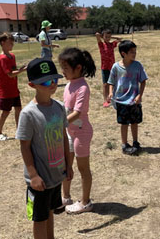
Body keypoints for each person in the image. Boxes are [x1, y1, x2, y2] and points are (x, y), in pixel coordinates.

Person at [16, 57, 73, 239]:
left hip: (56, 175)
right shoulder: (28, 114)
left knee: (50, 212)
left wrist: (68, 165)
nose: (52, 84)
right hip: (39, 180)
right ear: (32, 85)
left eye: (55, 79)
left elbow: (64, 137)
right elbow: (24, 146)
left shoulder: (59, 107)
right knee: (39, 218)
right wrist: (33, 175)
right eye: (46, 81)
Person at [58, 47, 96, 214]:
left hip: (81, 133)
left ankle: (85, 202)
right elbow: (66, 108)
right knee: (66, 164)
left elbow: (77, 112)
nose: (63, 72)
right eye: (62, 68)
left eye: (66, 68)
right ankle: (65, 198)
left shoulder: (82, 88)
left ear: (78, 68)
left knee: (83, 168)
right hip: (69, 132)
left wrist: (59, 123)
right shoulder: (69, 85)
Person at [107, 40, 148, 155]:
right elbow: (111, 82)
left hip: (134, 100)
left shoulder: (137, 65)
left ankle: (135, 142)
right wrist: (110, 93)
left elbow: (143, 81)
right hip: (121, 100)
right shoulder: (116, 67)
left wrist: (140, 95)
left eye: (135, 51)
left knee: (134, 122)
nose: (134, 54)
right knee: (124, 123)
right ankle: (124, 144)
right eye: (132, 52)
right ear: (123, 53)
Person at [0, 32, 27, 141]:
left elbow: (14, 70)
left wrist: (20, 69)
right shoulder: (2, 58)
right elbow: (10, 74)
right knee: (5, 112)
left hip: (14, 89)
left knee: (18, 109)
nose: (12, 45)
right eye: (10, 43)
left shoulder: (12, 56)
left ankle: (19, 130)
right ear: (2, 43)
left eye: (13, 43)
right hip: (5, 90)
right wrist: (22, 70)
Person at [95, 29, 121, 107]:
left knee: (114, 83)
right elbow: (97, 35)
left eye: (109, 37)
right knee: (105, 84)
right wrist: (102, 37)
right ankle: (106, 100)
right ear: (103, 37)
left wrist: (111, 36)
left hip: (112, 67)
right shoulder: (101, 44)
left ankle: (114, 98)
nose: (108, 38)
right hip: (105, 67)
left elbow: (119, 39)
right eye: (106, 37)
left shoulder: (112, 44)